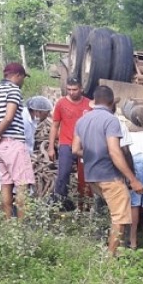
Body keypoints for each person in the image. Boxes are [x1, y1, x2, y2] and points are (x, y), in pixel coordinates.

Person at [72, 86, 143, 256]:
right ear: (112, 103)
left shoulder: (82, 121)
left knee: (112, 213)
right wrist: (133, 179)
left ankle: (111, 249)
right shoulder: (111, 120)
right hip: (109, 176)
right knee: (120, 218)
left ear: (94, 101)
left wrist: (95, 154)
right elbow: (115, 151)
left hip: (92, 176)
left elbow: (75, 149)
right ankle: (110, 260)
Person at [0, 63, 34, 219]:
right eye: (23, 77)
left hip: (0, 147)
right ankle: (21, 226)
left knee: (6, 183)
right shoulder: (13, 90)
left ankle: (7, 223)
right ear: (17, 75)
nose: (23, 81)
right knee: (22, 185)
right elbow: (9, 117)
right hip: (14, 142)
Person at [0, 96, 53, 190]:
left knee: (10, 185)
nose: (47, 117)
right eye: (46, 113)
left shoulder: (31, 119)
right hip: (14, 154)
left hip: (16, 153)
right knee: (19, 186)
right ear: (38, 111)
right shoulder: (24, 120)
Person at [48, 78, 92, 207]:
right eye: (69, 90)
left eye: (74, 89)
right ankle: (60, 202)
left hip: (84, 145)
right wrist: (51, 146)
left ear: (81, 89)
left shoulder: (89, 105)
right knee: (63, 173)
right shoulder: (61, 103)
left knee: (86, 175)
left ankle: (86, 204)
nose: (71, 92)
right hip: (66, 143)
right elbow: (55, 126)